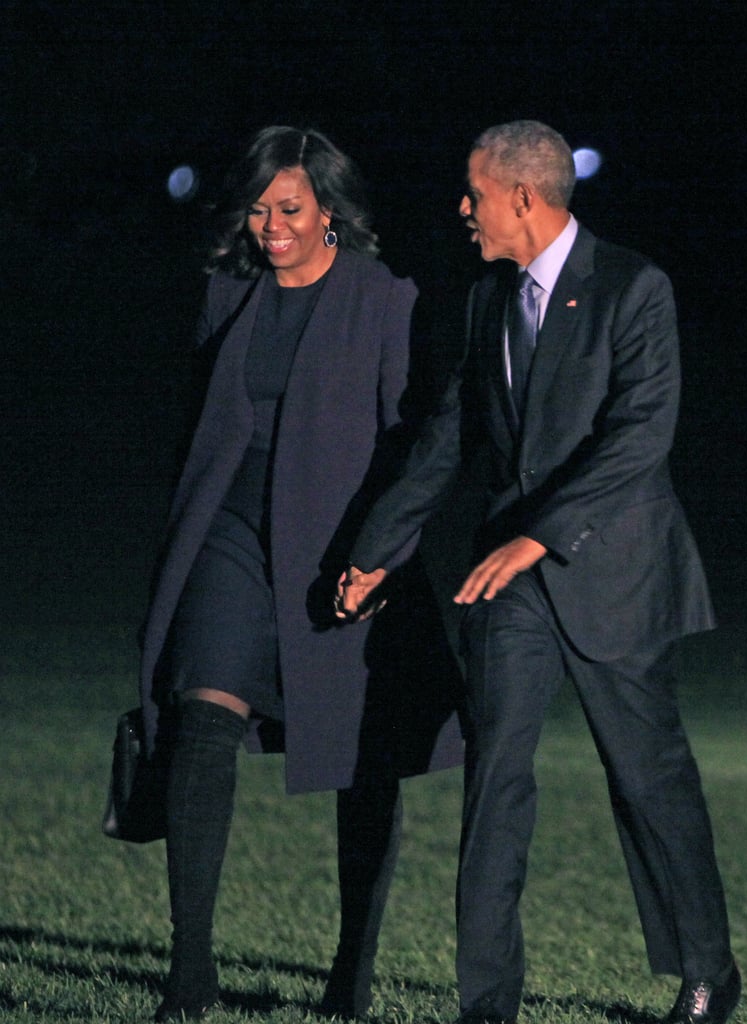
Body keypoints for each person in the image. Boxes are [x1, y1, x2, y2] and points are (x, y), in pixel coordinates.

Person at [337, 120, 741, 1024]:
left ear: (522, 195)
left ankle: (708, 971)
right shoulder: (488, 302)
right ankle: (486, 1002)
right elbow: (446, 442)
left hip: (616, 572)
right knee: (497, 779)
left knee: (648, 780)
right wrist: (375, 550)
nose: (463, 209)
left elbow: (640, 435)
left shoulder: (634, 287)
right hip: (510, 582)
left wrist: (541, 535)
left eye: (474, 192)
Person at [137, 125, 463, 1021]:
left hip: (341, 543)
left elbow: (412, 444)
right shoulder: (226, 294)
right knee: (200, 719)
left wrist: (382, 553)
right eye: (257, 208)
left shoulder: (383, 298)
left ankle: (350, 971)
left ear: (330, 210)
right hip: (230, 534)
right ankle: (189, 969)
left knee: (365, 754)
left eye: (289, 208)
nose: (270, 226)